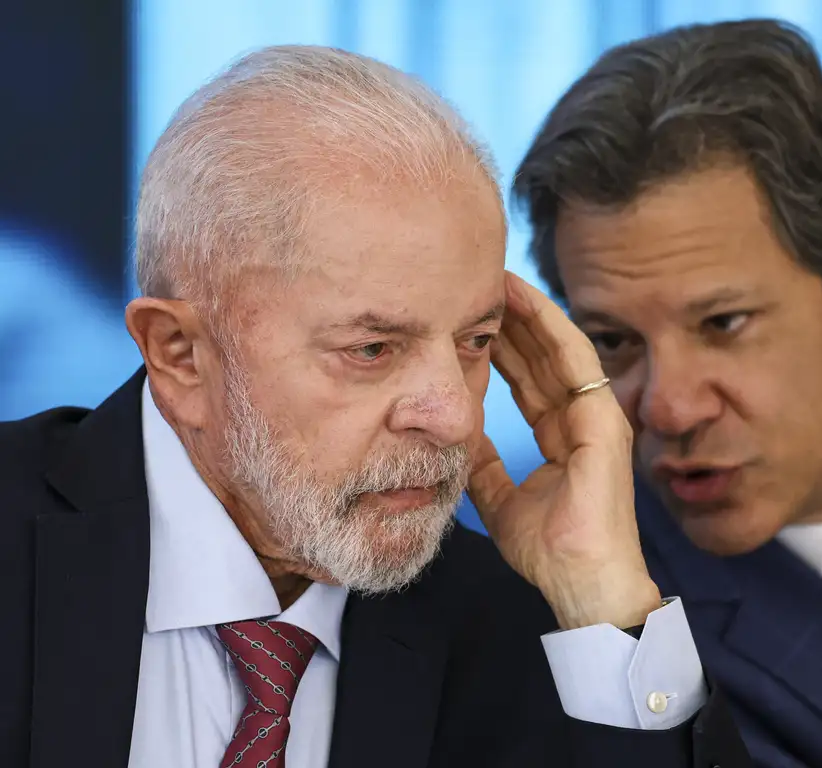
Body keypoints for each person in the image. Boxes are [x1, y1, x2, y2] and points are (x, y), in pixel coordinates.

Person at [0, 46, 752, 768]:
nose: (454, 417)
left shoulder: (527, 626)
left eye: (476, 339)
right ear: (179, 353)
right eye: (372, 350)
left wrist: (605, 601)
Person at [513, 18, 822, 768]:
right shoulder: (603, 611)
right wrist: (612, 618)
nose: (669, 410)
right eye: (615, 340)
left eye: (723, 322)